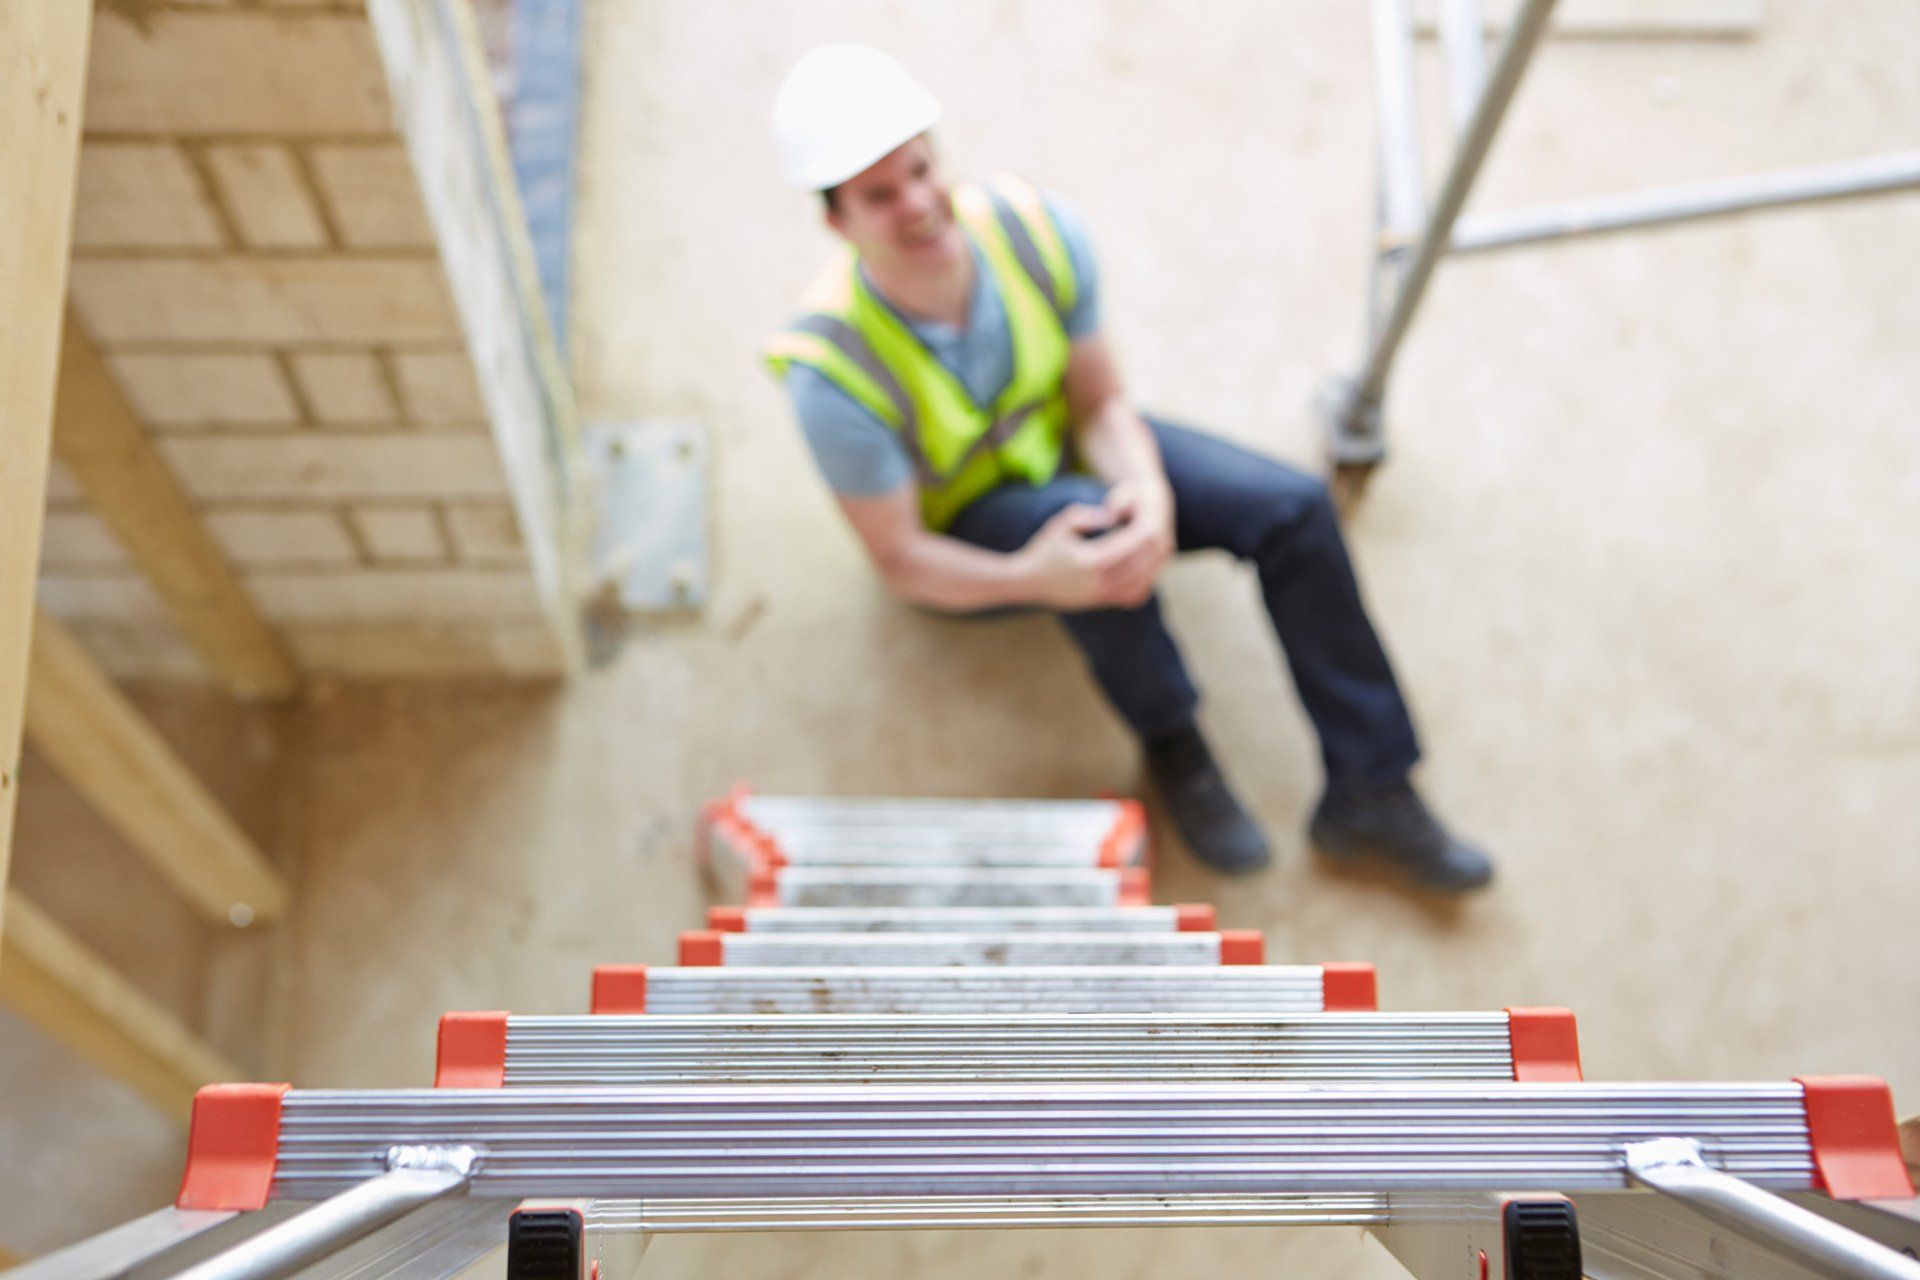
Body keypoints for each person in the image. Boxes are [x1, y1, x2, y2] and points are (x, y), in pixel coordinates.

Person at [763, 45, 1491, 889]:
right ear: (836, 222)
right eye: (879, 197)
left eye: (922, 170)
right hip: (970, 534)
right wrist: (1036, 578)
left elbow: (1101, 403)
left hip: (1071, 452)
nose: (920, 205)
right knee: (1092, 538)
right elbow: (900, 559)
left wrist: (1147, 488)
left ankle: (1373, 785)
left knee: (1292, 508)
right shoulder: (832, 372)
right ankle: (1173, 739)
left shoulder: (1037, 235)